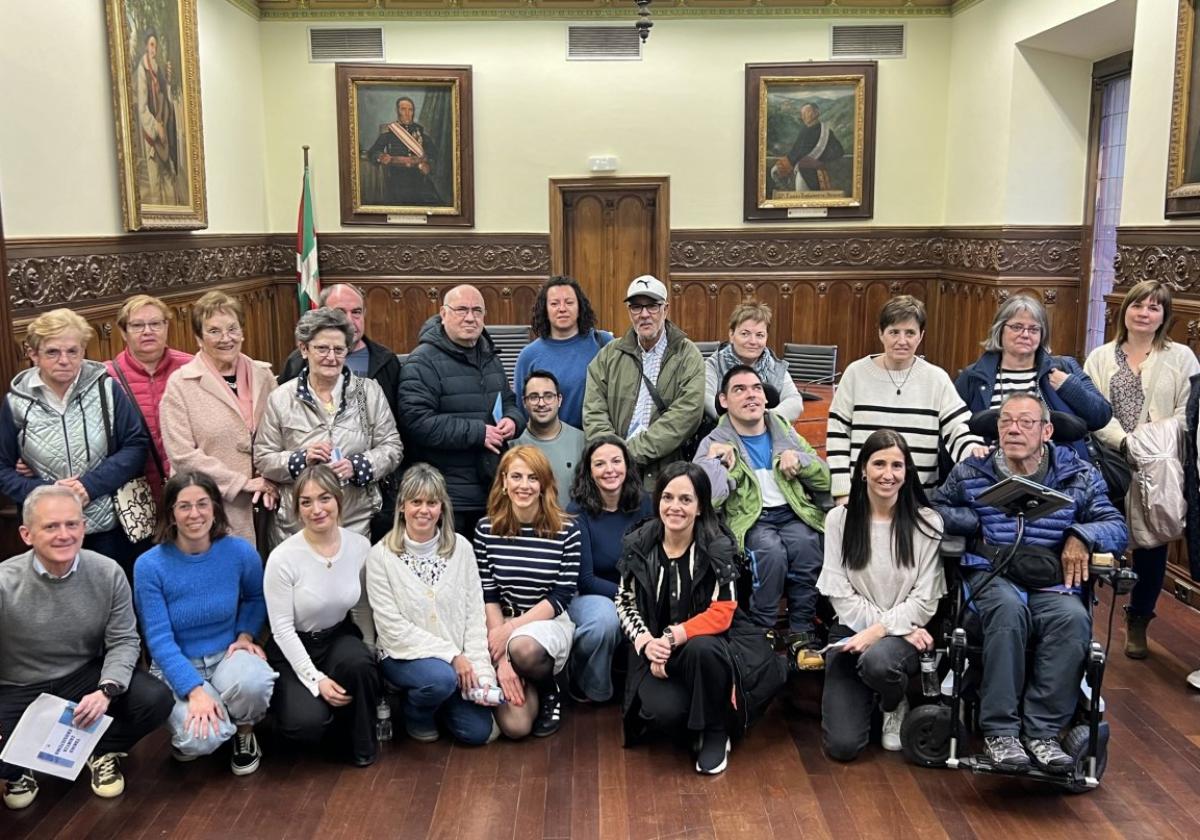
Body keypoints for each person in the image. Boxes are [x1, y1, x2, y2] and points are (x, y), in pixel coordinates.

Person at [931, 393, 1128, 773]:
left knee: (1071, 620)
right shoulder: (973, 470)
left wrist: (1082, 535)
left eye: (1025, 422)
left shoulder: (1079, 474)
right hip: (994, 574)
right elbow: (936, 508)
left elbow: (1117, 527)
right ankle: (1000, 732)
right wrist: (969, 522)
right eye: (1006, 421)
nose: (1013, 429)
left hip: (1051, 581)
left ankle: (1043, 733)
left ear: (1047, 431)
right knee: (1008, 612)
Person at [0, 486, 173, 811]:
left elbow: (124, 640)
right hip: (18, 686)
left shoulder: (107, 572)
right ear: (26, 534)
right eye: (51, 526)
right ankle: (18, 767)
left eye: (72, 524)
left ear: (84, 527)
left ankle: (98, 750)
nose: (63, 535)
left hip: (83, 678)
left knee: (156, 700)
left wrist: (106, 691)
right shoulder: (4, 583)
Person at [134, 471, 278, 775]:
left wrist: (245, 636)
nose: (194, 514)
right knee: (201, 739)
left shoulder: (239, 552)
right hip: (177, 663)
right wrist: (194, 690)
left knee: (255, 681)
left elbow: (255, 597)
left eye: (202, 504)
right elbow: (158, 640)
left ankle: (244, 733)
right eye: (184, 506)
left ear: (215, 508)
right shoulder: (149, 566)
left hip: (226, 654)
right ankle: (202, 726)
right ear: (171, 513)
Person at [1084, 281, 1198, 660]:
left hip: (1159, 464)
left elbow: (1189, 413)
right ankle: (1083, 622)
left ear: (1164, 316)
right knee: (1098, 541)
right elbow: (1091, 408)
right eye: (1138, 306)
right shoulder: (1100, 357)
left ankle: (1139, 618)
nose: (1144, 313)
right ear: (1125, 310)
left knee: (1152, 547)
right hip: (1109, 461)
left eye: (1154, 308)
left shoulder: (1181, 358)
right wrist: (1123, 442)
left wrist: (1146, 441)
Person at [817, 431, 945, 761]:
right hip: (852, 630)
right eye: (879, 464)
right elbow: (839, 594)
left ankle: (893, 700)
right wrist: (881, 627)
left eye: (897, 465)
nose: (888, 474)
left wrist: (880, 631)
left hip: (900, 639)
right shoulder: (839, 520)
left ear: (907, 472)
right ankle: (871, 693)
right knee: (842, 748)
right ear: (862, 469)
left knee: (878, 661)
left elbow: (925, 599)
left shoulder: (927, 523)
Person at [695, 365, 830, 670]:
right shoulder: (714, 440)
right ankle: (762, 631)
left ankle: (802, 633)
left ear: (766, 398)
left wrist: (802, 462)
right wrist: (718, 465)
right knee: (770, 554)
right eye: (739, 390)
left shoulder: (783, 429)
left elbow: (824, 479)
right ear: (724, 400)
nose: (750, 395)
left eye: (756, 388)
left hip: (792, 513)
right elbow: (706, 499)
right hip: (751, 521)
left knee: (808, 545)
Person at [0, 308, 149, 578]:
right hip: (48, 532)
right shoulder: (16, 403)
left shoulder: (107, 389)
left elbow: (136, 445)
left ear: (83, 351)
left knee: (112, 601)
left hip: (108, 527)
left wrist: (88, 486)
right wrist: (47, 491)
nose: (64, 360)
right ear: (33, 354)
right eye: (52, 352)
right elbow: (2, 471)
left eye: (73, 351)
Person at [616, 462, 739, 775]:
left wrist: (673, 637)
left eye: (686, 499)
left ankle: (715, 731)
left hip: (702, 649)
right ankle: (697, 716)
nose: (675, 507)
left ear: (700, 507)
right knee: (665, 714)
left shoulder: (717, 546)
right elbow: (624, 600)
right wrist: (647, 643)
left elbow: (723, 610)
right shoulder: (638, 543)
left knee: (704, 649)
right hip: (654, 649)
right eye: (668, 497)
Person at [368, 464, 500, 745]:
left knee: (478, 733)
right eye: (416, 502)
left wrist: (483, 672)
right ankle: (417, 712)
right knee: (439, 680)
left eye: (432, 502)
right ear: (402, 506)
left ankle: (440, 702)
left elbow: (474, 617)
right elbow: (392, 629)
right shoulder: (380, 556)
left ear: (442, 508)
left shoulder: (461, 548)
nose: (423, 510)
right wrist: (452, 656)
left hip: (457, 664)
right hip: (402, 656)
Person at [255, 307, 402, 549]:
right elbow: (263, 458)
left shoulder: (369, 392)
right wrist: (301, 459)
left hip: (354, 520)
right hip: (296, 525)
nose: (331, 357)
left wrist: (358, 466)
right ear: (304, 349)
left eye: (339, 350)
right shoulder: (280, 398)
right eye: (322, 349)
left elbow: (392, 447)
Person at [264, 465, 380, 766]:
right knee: (305, 724)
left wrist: (369, 650)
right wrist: (316, 680)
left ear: (338, 500)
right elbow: (282, 630)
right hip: (293, 647)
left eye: (324, 498)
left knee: (361, 666)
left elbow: (363, 606)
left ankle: (361, 745)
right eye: (306, 502)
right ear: (297, 508)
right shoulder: (283, 558)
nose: (317, 509)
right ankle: (312, 715)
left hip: (337, 637)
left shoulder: (359, 546)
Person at [827, 295, 986, 501]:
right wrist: (842, 493)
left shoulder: (937, 378)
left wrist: (974, 451)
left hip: (917, 501)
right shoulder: (855, 373)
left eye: (910, 333)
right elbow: (837, 434)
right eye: (894, 332)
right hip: (861, 499)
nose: (902, 341)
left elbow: (958, 429)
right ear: (881, 334)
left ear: (921, 336)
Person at [398, 285, 523, 538]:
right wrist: (478, 433)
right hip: (447, 496)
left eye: (477, 310)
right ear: (443, 314)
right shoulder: (422, 361)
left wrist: (513, 419)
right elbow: (417, 421)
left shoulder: (490, 356)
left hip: (491, 489)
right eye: (462, 310)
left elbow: (508, 400)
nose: (470, 317)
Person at [474, 446, 580, 739]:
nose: (524, 485)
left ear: (544, 483)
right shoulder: (486, 529)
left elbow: (561, 596)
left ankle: (551, 690)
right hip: (498, 623)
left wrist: (510, 636)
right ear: (504, 482)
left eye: (533, 478)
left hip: (545, 624)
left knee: (523, 647)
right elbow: (489, 594)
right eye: (516, 477)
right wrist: (502, 661)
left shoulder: (567, 530)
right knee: (516, 728)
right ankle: (531, 677)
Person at [160, 291, 278, 544]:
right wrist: (241, 483)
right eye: (214, 331)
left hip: (268, 504)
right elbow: (181, 455)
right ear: (199, 338)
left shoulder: (264, 375)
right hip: (211, 509)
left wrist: (272, 478)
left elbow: (281, 433)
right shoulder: (181, 384)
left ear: (243, 332)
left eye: (233, 329)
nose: (226, 338)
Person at [955, 294, 1112, 461]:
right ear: (1000, 330)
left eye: (1033, 329)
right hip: (991, 470)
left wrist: (1069, 387)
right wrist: (973, 447)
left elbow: (1101, 416)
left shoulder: (1064, 367)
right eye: (1017, 327)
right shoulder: (973, 377)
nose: (1025, 334)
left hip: (1059, 472)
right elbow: (954, 427)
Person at [583, 275, 705, 489]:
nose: (645, 315)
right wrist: (613, 455)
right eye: (637, 307)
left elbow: (687, 414)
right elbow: (594, 411)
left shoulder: (687, 355)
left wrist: (630, 453)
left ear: (665, 309)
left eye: (652, 306)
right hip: (614, 476)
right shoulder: (609, 355)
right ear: (630, 312)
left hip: (665, 472)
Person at [566, 435, 652, 703]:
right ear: (589, 472)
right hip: (595, 595)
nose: (610, 469)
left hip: (640, 588)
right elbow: (586, 580)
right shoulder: (577, 510)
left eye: (616, 461)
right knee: (606, 622)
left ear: (627, 465)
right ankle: (592, 687)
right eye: (600, 464)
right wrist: (631, 597)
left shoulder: (645, 503)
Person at [106, 294, 193, 500]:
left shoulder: (192, 368)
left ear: (166, 326)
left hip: (188, 488)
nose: (147, 331)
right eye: (137, 325)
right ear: (123, 332)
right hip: (135, 495)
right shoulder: (106, 377)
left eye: (155, 323)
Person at [514, 276, 614, 429]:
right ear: (545, 310)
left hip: (598, 442)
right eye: (554, 303)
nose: (562, 308)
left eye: (569, 302)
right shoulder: (529, 356)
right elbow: (521, 410)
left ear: (580, 307)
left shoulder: (603, 343)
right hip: (549, 444)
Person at [704, 301, 804, 423]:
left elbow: (795, 401)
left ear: (767, 337)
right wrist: (738, 421)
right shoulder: (714, 365)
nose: (753, 341)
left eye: (760, 335)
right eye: (745, 334)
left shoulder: (775, 367)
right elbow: (705, 399)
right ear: (731, 334)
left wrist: (764, 420)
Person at [515, 370, 585, 510]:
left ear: (559, 400)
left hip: (574, 527)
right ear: (524, 402)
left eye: (548, 396)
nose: (541, 403)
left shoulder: (583, 441)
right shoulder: (513, 444)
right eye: (534, 397)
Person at [366, 96, 443, 206]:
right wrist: (380, 156)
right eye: (403, 109)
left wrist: (429, 165)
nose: (407, 113)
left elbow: (434, 154)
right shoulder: (390, 133)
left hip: (419, 178)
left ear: (413, 112)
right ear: (397, 111)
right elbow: (372, 153)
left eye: (410, 109)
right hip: (397, 178)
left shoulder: (420, 132)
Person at [135, 28, 182, 205]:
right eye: (151, 45)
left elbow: (164, 97)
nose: (154, 49)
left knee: (168, 176)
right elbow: (142, 108)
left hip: (162, 136)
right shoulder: (143, 70)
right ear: (146, 47)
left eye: (156, 45)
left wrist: (168, 81)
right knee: (155, 184)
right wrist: (157, 127)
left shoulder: (157, 68)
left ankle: (174, 212)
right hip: (152, 137)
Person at [769, 103, 846, 195]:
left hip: (814, 172)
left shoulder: (826, 132)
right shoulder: (803, 130)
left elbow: (839, 151)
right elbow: (795, 151)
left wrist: (819, 161)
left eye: (807, 112)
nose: (803, 116)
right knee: (774, 172)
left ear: (816, 113)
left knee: (802, 195)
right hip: (799, 168)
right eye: (802, 113)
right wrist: (782, 165)